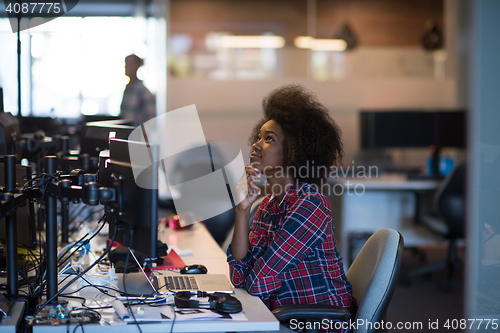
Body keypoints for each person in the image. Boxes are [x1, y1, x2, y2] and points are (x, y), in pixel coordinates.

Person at [227, 84, 356, 327]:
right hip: (280, 315)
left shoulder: (310, 204)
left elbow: (257, 284)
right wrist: (242, 210)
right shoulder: (267, 206)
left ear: (294, 151)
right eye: (258, 136)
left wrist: (251, 278)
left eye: (269, 139)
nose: (256, 144)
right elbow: (239, 277)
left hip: (317, 323)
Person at [120, 54, 156, 127]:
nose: (125, 67)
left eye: (128, 64)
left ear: (136, 66)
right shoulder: (128, 89)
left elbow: (151, 120)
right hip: (125, 135)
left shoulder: (143, 92)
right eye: (125, 64)